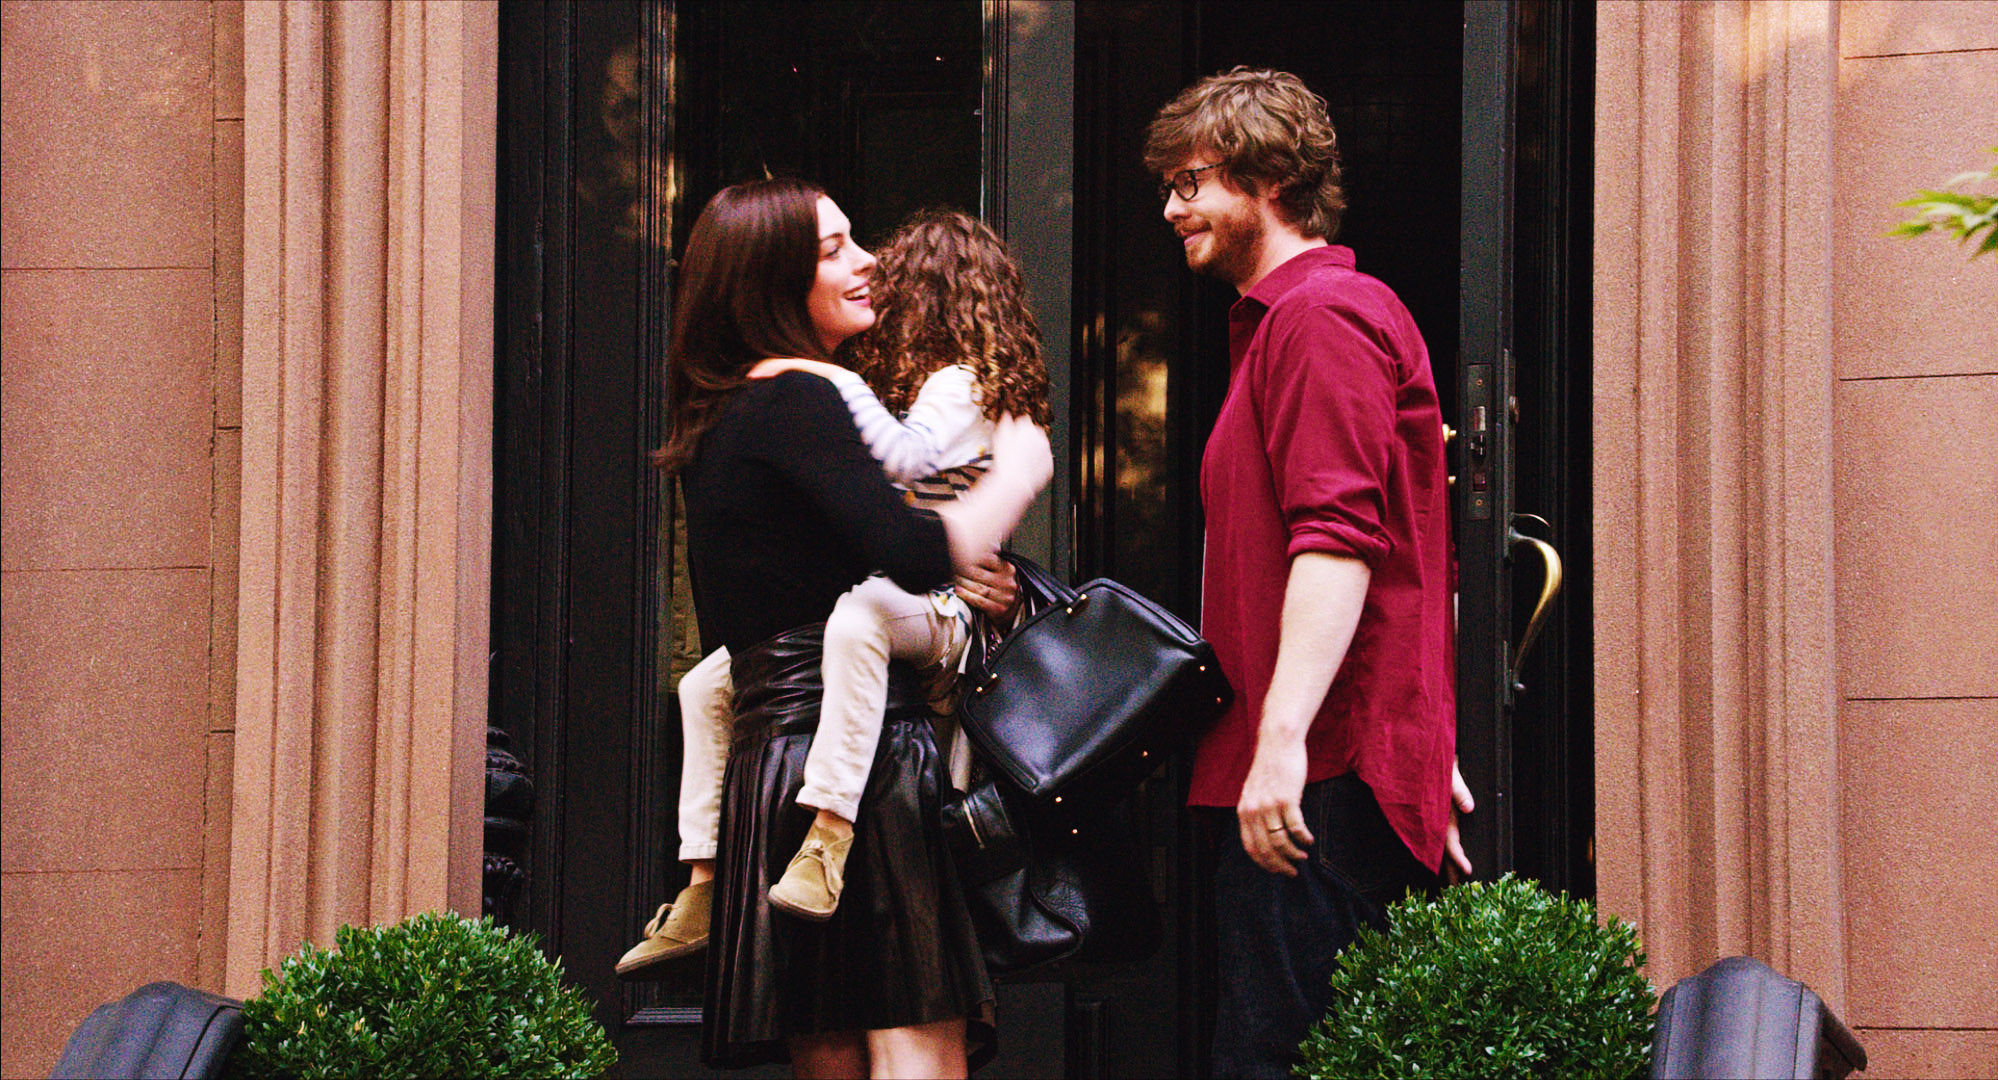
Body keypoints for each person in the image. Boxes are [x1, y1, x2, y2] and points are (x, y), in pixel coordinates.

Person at [654, 177, 1050, 1077]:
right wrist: (1018, 476)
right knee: (914, 1048)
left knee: (827, 1057)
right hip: (863, 758)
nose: (869, 260)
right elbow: (909, 553)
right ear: (771, 280)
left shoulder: (719, 415)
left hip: (770, 759)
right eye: (834, 248)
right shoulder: (805, 395)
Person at [1144, 67, 1475, 1078]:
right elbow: (1414, 555)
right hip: (1324, 766)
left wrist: (1282, 744)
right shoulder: (1286, 326)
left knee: (1280, 1058)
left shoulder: (1320, 319)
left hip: (1315, 775)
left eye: (1191, 180)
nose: (1172, 208)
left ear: (1269, 180)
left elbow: (1342, 543)